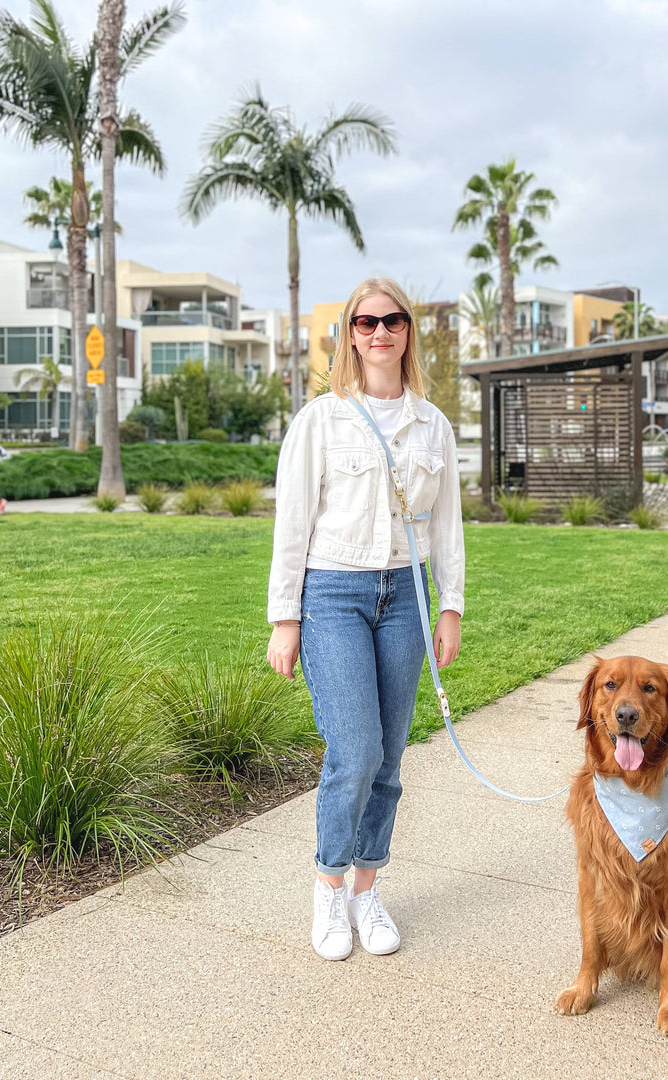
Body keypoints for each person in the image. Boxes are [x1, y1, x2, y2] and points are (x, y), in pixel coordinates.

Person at [266, 278, 465, 961]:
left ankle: (366, 890)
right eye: (365, 321)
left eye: (393, 320)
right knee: (355, 752)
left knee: (389, 759)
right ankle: (328, 886)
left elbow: (448, 526)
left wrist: (451, 605)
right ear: (349, 334)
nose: (379, 332)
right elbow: (291, 524)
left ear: (409, 331)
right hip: (333, 595)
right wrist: (283, 618)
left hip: (405, 597)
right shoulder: (322, 419)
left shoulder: (431, 424)